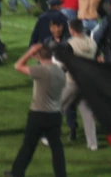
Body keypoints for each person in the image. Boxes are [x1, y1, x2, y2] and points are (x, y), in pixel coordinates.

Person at [5, 44, 67, 177]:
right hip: (55, 114)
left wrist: (30, 52)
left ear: (39, 56)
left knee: (28, 145)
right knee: (56, 147)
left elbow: (18, 66)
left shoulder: (42, 71)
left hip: (38, 113)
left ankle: (17, 172)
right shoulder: (60, 71)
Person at [60, 19, 98, 150]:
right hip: (88, 80)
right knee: (87, 113)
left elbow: (64, 63)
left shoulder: (70, 44)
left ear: (71, 29)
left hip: (73, 80)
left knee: (56, 107)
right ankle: (92, 143)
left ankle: (48, 136)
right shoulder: (92, 43)